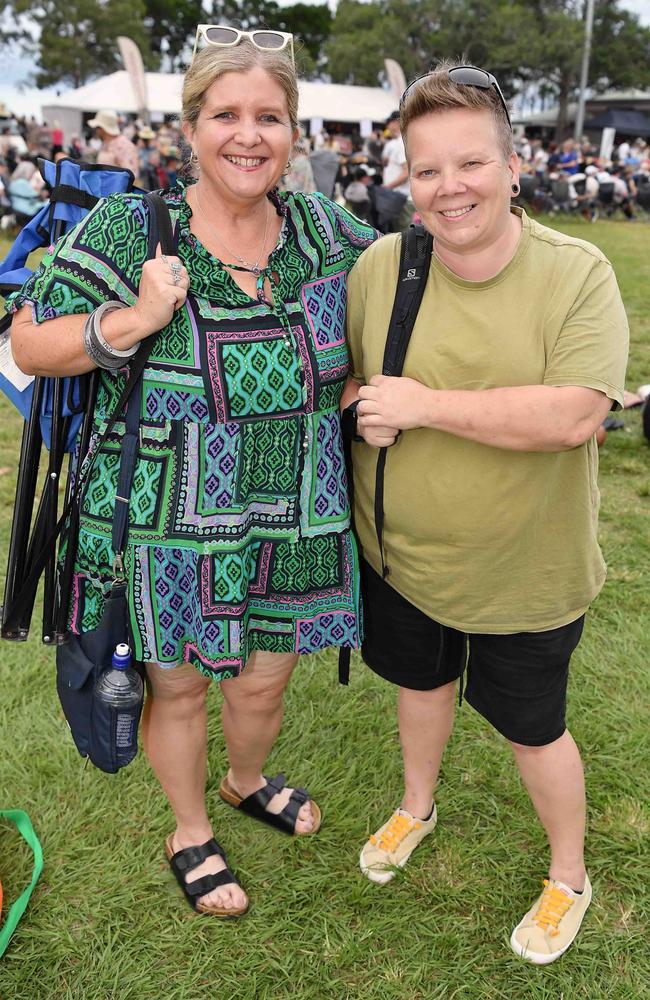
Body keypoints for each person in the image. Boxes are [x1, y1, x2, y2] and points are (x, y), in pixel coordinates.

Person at [10, 26, 375, 918]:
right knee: (177, 680)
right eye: (226, 115)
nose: (248, 135)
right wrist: (130, 321)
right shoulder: (137, 225)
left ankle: (245, 779)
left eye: (269, 117)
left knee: (265, 678)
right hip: (170, 512)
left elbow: (413, 294)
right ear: (193, 125)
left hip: (298, 506)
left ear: (296, 132)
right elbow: (27, 340)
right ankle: (189, 828)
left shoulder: (329, 233)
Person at [342, 61, 628, 964]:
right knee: (419, 688)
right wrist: (364, 406)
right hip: (401, 558)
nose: (448, 187)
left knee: (533, 729)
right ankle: (415, 806)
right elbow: (351, 384)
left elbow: (577, 413)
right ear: (407, 180)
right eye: (427, 170)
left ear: (513, 165)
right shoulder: (384, 265)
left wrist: (424, 407)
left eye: (470, 164)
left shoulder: (577, 274)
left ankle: (569, 873)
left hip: (526, 576)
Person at [381, 110, 413, 231]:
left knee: (404, 236)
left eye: (389, 122)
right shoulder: (396, 142)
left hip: (402, 198)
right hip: (397, 197)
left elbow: (406, 172)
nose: (388, 126)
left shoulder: (401, 142)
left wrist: (387, 187)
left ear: (396, 122)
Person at [87, 109, 140, 177]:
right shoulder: (106, 143)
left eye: (97, 128)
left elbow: (131, 175)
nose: (96, 131)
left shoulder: (123, 145)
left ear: (101, 129)